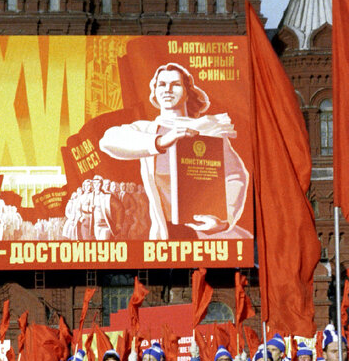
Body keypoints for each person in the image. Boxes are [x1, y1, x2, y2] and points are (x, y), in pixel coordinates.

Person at [99, 62, 249, 239]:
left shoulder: (207, 129)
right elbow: (108, 140)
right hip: (165, 235)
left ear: (187, 93)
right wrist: (161, 141)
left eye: (175, 84)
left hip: (206, 235)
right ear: (154, 92)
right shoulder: (146, 130)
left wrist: (225, 220)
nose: (167, 89)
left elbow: (235, 176)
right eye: (161, 85)